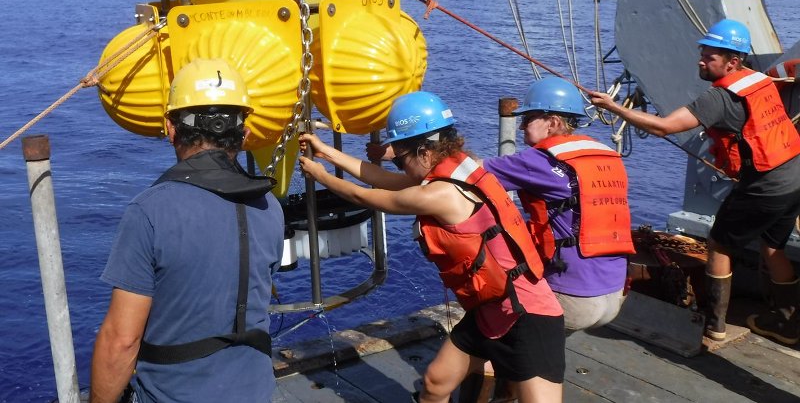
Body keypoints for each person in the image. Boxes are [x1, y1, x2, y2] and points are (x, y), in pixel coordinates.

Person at [299, 91, 566, 403]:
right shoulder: (460, 169)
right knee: (436, 384)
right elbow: (382, 178)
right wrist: (326, 153)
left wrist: (320, 176)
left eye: (400, 159)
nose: (398, 167)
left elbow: (366, 196)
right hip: (491, 310)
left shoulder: (440, 195)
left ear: (424, 152)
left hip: (529, 316)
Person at [590, 19, 800, 345]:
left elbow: (664, 127)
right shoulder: (757, 80)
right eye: (702, 53)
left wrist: (614, 106)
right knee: (773, 247)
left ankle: (714, 325)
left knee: (719, 243)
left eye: (710, 56)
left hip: (766, 185)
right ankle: (787, 323)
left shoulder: (717, 98)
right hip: (794, 175)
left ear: (732, 62)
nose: (701, 61)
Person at [90, 59, 283, 402]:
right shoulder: (270, 207)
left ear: (170, 128)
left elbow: (121, 341)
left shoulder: (149, 211)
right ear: (245, 133)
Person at [482, 77, 635, 332]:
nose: (521, 127)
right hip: (615, 295)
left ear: (552, 123)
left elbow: (467, 173)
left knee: (489, 319)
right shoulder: (606, 153)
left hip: (573, 298)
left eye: (528, 118)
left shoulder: (539, 161)